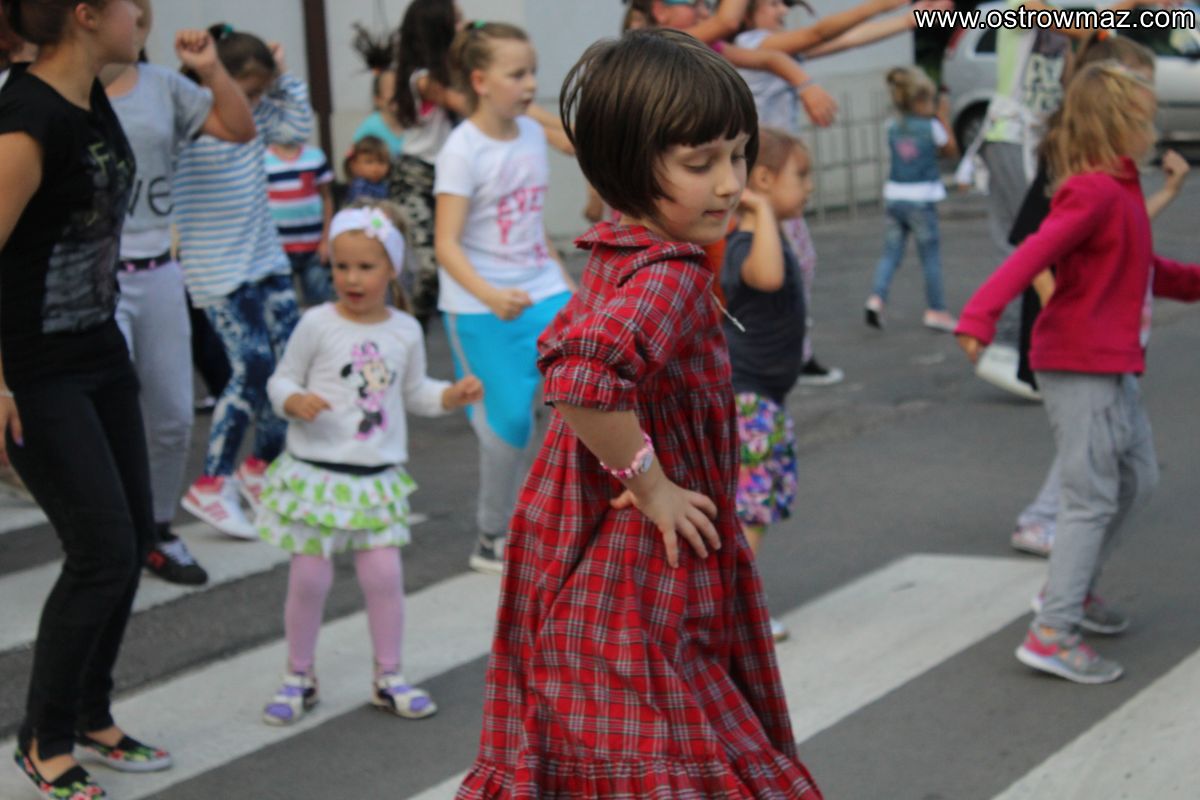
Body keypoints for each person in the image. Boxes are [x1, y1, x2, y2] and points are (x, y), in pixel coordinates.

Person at [457, 29, 821, 797]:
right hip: (641, 557)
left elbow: (570, 354)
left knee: (599, 741)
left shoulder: (616, 246)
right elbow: (581, 377)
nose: (729, 183)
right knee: (673, 744)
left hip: (583, 540)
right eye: (700, 163)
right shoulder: (672, 273)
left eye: (738, 155)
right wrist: (650, 483)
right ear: (628, 161)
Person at [955, 61, 1200, 684]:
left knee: (1137, 480)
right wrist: (979, 316)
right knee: (1090, 497)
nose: (1154, 130)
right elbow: (1032, 254)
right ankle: (1052, 631)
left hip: (1112, 363)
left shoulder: (1121, 190)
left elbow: (1142, 266)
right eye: (1146, 119)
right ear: (1120, 124)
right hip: (1078, 362)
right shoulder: (1092, 191)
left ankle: (1074, 588)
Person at [0, 1, 173, 797]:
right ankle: (44, 740)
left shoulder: (88, 94)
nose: (143, 15)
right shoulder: (26, 120)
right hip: (37, 369)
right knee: (99, 551)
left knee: (131, 539)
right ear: (86, 15)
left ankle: (92, 714)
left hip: (99, 350)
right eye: (131, 4)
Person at [256, 201, 482, 725]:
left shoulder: (404, 329)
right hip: (318, 475)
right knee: (309, 581)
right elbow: (281, 378)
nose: (352, 278)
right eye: (341, 266)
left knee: (384, 579)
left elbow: (413, 392)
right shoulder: (316, 323)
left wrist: (449, 396)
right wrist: (293, 400)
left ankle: (388, 675)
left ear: (392, 269)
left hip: (376, 480)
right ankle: (299, 676)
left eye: (365, 266)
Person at [1002, 34, 1190, 558]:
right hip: (1077, 326)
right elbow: (1035, 245)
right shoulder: (1074, 165)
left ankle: (1059, 538)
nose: (1150, 104)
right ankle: (1042, 523)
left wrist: (1167, 193)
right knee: (1088, 439)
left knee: (1099, 440)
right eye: (1142, 88)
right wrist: (1062, 308)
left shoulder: (1111, 174)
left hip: (1103, 327)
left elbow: (1117, 238)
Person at [101, 1, 256, 586]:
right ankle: (110, 538)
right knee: (110, 415)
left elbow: (239, 128)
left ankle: (157, 530)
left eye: (140, 9)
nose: (135, 16)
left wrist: (211, 69)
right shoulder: (43, 92)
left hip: (159, 270)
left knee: (170, 415)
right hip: (90, 282)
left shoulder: (164, 86)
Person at [434, 22, 575, 575]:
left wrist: (565, 286)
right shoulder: (461, 150)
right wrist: (491, 296)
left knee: (590, 395)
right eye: (516, 74)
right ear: (480, 80)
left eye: (532, 71)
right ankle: (493, 535)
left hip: (543, 289)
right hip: (481, 305)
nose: (530, 83)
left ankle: (566, 518)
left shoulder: (532, 132)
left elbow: (533, 221)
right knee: (508, 425)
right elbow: (446, 244)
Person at [173, 24, 313, 538]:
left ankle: (262, 467)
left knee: (290, 363)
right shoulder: (187, 120)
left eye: (258, 93)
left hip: (265, 259)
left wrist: (283, 78)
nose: (250, 103)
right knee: (252, 366)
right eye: (246, 92)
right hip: (217, 267)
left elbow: (296, 128)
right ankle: (212, 481)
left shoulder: (256, 113)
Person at [968, 0, 1145, 399]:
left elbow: (1090, 37)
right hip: (1011, 134)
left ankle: (1026, 344)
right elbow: (1080, 25)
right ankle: (1009, 343)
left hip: (1037, 138)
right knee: (1028, 241)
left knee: (1043, 241)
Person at [721, 127, 813, 642]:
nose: (809, 186)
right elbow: (769, 277)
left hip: (764, 398)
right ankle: (737, 614)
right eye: (801, 175)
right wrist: (757, 211)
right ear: (761, 180)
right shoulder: (744, 244)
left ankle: (731, 606)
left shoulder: (764, 237)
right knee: (750, 509)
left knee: (754, 507)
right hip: (748, 398)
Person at [865, 66, 959, 332]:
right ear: (919, 101)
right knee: (930, 257)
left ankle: (876, 298)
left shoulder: (892, 126)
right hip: (922, 199)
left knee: (891, 254)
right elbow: (950, 150)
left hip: (895, 196)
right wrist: (943, 118)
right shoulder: (932, 126)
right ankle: (937, 310)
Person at [265, 138, 335, 306]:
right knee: (284, 305)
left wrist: (326, 240)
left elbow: (327, 198)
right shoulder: (263, 159)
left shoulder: (315, 156)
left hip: (314, 248)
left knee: (319, 304)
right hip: (278, 250)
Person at [350, 23, 405, 157]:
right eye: (391, 89)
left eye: (400, 88)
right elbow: (353, 158)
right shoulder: (370, 127)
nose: (396, 94)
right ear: (378, 99)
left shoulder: (410, 124)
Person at [343, 134, 392, 203]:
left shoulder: (384, 184)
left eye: (381, 161)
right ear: (354, 165)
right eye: (369, 162)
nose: (376, 168)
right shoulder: (359, 186)